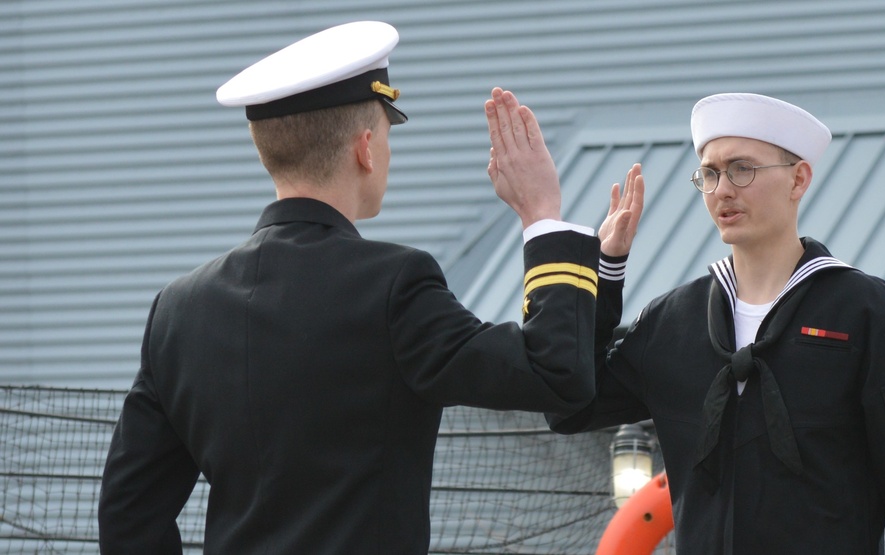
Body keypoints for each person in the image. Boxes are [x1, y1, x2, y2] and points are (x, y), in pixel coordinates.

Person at [98, 21, 602, 554]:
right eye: (387, 133)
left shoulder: (178, 310)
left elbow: (128, 513)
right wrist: (542, 216)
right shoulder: (395, 286)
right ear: (365, 147)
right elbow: (556, 375)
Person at [550, 92, 885, 554]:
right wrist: (606, 275)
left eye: (742, 169)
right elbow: (572, 406)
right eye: (709, 173)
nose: (723, 189)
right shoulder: (672, 323)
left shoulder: (868, 315)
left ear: (798, 179)